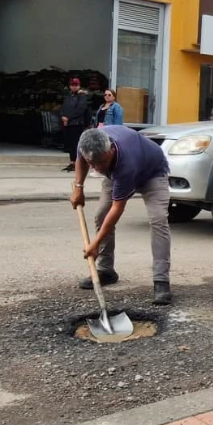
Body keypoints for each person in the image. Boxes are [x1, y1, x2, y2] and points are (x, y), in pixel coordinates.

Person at [71, 126, 174, 305]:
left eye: (101, 163)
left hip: (152, 173)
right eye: (92, 163)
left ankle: (161, 281)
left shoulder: (126, 163)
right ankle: (106, 271)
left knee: (158, 219)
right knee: (101, 215)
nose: (97, 168)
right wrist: (78, 188)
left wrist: (95, 244)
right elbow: (81, 160)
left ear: (110, 149)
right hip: (117, 173)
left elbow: (117, 209)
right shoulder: (86, 142)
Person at [59, 77, 90, 172]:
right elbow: (62, 108)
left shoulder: (82, 96)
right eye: (72, 85)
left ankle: (79, 163)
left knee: (76, 144)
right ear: (70, 86)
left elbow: (80, 109)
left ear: (79, 86)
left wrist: (68, 118)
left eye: (76, 85)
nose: (74, 87)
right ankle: (72, 162)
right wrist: (63, 117)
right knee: (69, 144)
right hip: (67, 124)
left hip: (77, 124)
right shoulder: (68, 96)